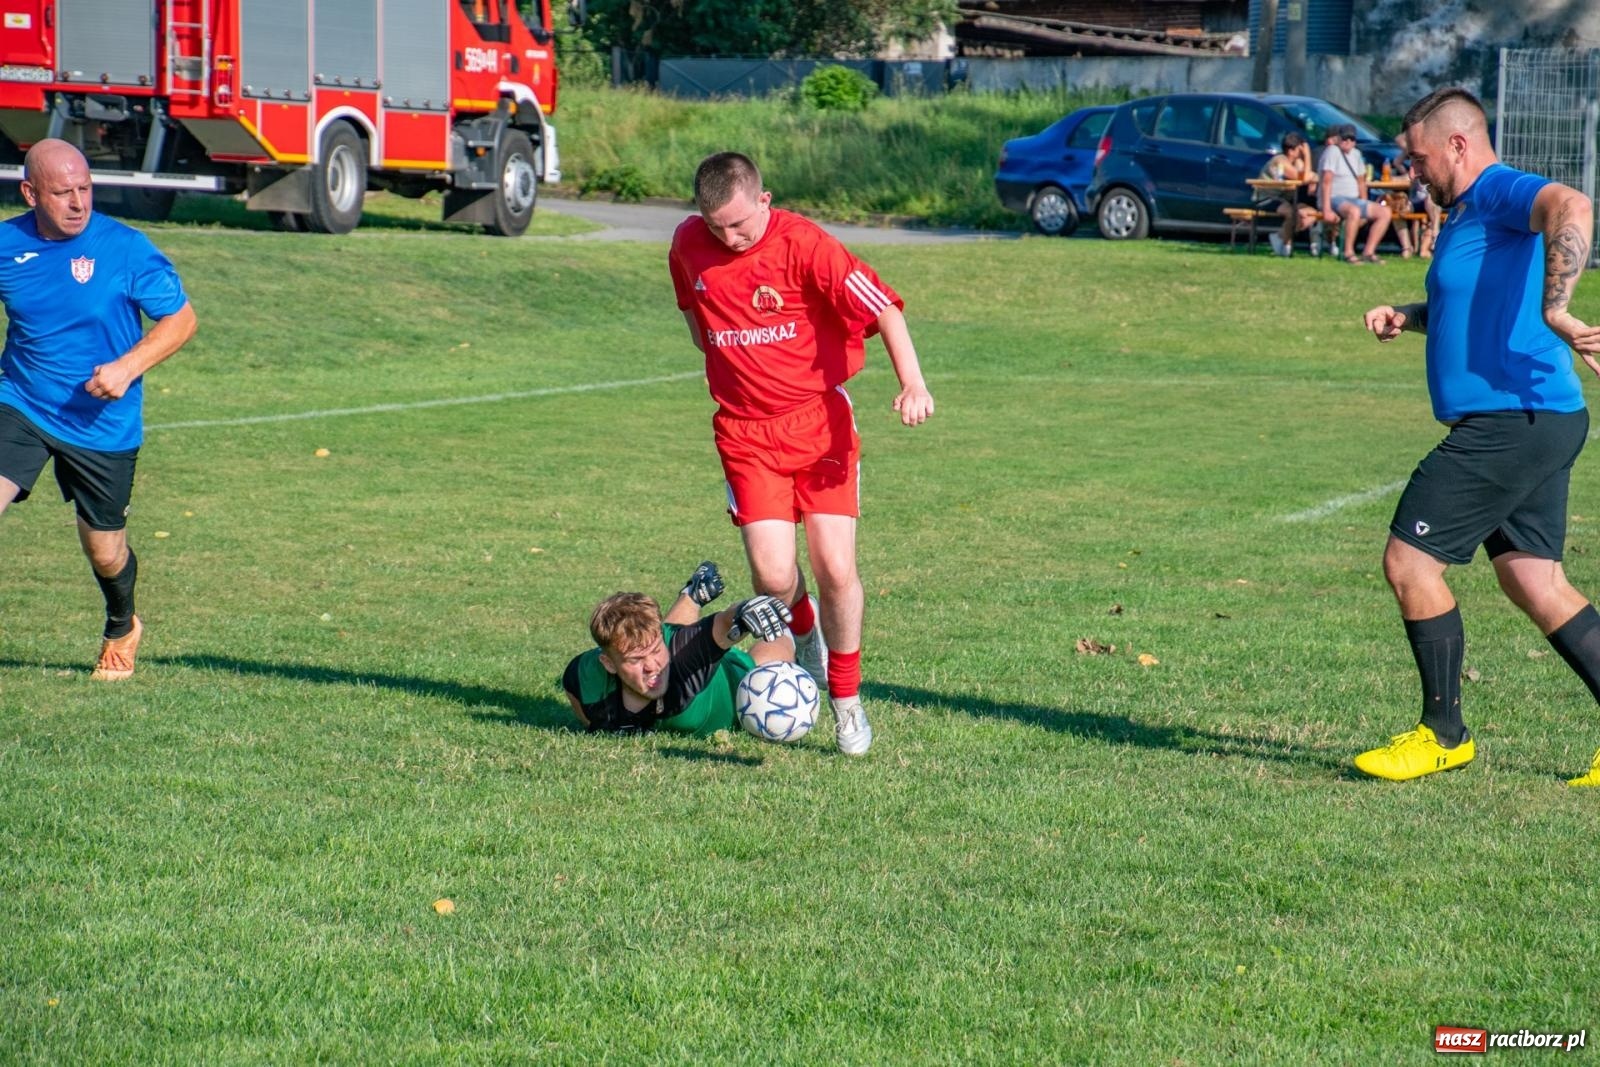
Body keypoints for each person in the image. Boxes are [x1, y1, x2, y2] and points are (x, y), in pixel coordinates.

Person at [1356, 86, 1600, 786]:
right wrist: (1411, 313)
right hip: (1534, 415)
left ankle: (1444, 734)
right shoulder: (1467, 214)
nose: (1413, 172)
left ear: (1457, 145)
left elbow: (1571, 207)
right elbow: (1475, 302)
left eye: (1418, 158)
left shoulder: (1496, 190)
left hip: (1512, 421)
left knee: (1409, 563)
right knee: (1536, 581)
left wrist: (1559, 307)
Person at [668, 152, 935, 756]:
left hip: (819, 427)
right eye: (716, 227)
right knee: (773, 577)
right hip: (744, 433)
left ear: (765, 200)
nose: (729, 238)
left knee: (835, 569)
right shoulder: (688, 245)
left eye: (739, 224)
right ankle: (805, 635)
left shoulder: (807, 245)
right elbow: (695, 314)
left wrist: (912, 383)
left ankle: (846, 701)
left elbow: (885, 307)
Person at [0, 139, 197, 680]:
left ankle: (121, 624)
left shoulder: (126, 248)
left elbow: (181, 321)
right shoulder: (6, 244)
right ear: (30, 193)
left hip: (101, 424)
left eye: (85, 189)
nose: (78, 203)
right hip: (21, 401)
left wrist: (128, 367)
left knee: (105, 553)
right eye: (62, 192)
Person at [562, 561, 798, 736]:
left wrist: (746, 609)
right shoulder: (585, 679)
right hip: (674, 649)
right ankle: (692, 595)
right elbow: (573, 686)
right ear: (609, 663)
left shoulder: (680, 657)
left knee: (763, 665)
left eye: (655, 650)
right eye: (635, 660)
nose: (652, 666)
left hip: (719, 680)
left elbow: (723, 624)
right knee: (674, 642)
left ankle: (793, 629)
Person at [1319, 123, 1392, 264]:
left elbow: (1361, 182)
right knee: (1354, 211)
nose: (1348, 142)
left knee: (1385, 212)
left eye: (1351, 139)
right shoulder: (1332, 152)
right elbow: (1326, 181)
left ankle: (1369, 252)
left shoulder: (1356, 154)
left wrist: (1365, 202)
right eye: (1345, 138)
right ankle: (1348, 252)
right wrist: (1326, 208)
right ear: (1339, 139)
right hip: (1334, 197)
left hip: (1353, 198)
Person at [1261, 131, 1321, 258]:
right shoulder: (1280, 161)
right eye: (1300, 149)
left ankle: (1281, 237)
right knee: (1293, 214)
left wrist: (1314, 180)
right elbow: (1303, 178)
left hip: (1286, 199)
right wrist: (1308, 156)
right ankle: (1285, 243)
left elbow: (1309, 175)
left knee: (1310, 213)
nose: (1301, 152)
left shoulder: (1296, 162)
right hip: (1268, 198)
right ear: (1291, 150)